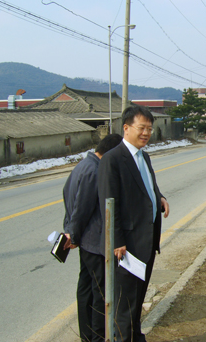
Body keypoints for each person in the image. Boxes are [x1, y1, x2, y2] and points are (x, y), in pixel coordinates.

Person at [98, 105, 170, 342]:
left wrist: (160, 198)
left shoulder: (144, 156)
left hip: (146, 241)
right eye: (142, 128)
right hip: (126, 246)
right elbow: (109, 203)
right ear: (126, 128)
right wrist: (117, 240)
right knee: (125, 303)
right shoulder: (112, 159)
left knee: (137, 299)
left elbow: (147, 185)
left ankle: (135, 336)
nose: (146, 133)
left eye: (150, 128)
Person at [63, 133, 123, 342]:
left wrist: (70, 231)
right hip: (94, 243)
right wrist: (74, 234)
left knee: (86, 289)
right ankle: (97, 336)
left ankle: (87, 335)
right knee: (99, 293)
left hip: (85, 242)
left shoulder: (82, 165)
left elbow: (67, 197)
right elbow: (82, 208)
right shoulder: (96, 171)